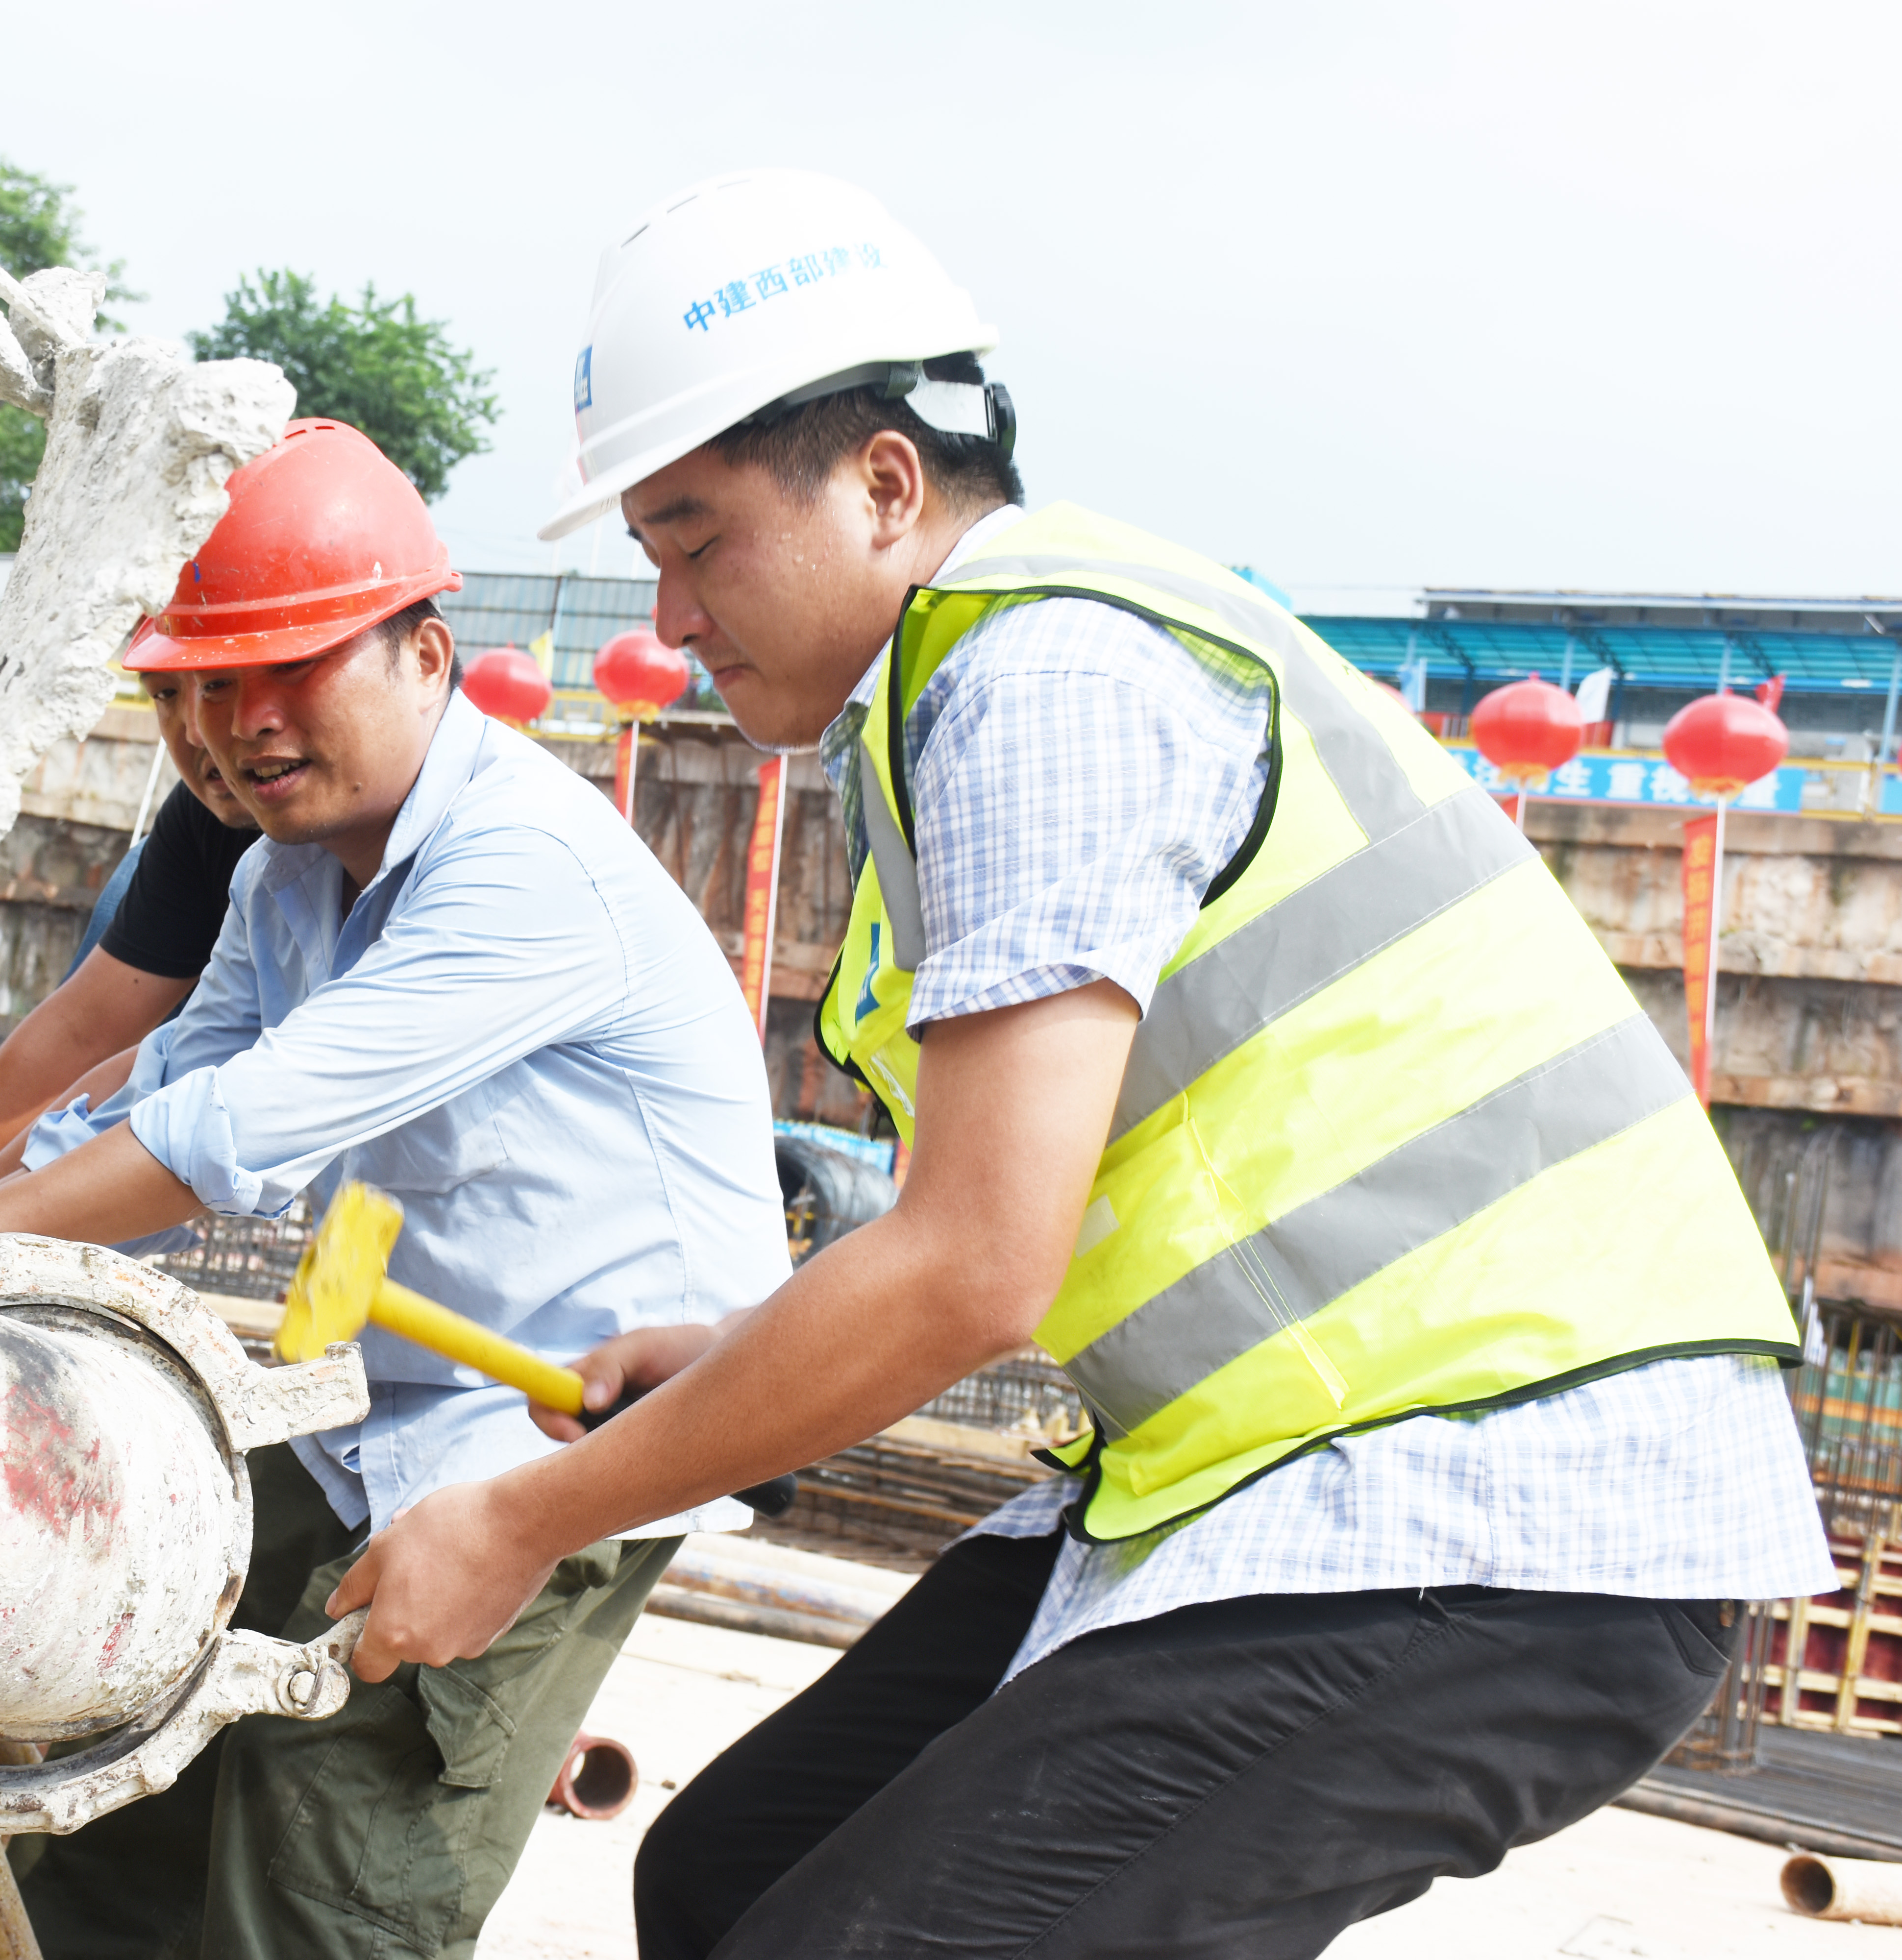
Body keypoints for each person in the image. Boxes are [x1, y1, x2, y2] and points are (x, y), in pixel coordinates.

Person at [328, 168, 1834, 1960]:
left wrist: (519, 1515)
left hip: (1495, 1503)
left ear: (883, 484)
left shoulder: (1042, 670)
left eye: (698, 534)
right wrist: (739, 1353)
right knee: (722, 1874)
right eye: (648, 554)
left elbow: (974, 1263)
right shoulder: (964, 686)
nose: (667, 613)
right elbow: (1047, 1202)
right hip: (1285, 1470)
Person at [0, 418, 792, 1959]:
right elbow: (159, 1079)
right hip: (374, 1389)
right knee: (122, 1773)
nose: (228, 725)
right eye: (189, 688)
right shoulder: (280, 874)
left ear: (426, 653)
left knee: (326, 1855)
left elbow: (234, 1130)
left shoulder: (519, 867)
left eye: (277, 669)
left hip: (570, 1423)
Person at [0, 660, 260, 1228]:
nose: (195, 728)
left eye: (219, 686)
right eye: (166, 695)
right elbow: (84, 1037)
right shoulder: (198, 824)